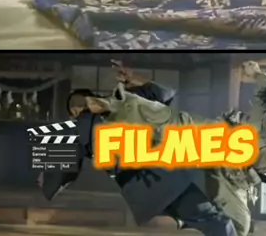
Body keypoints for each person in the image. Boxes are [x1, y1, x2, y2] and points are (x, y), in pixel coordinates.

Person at [40, 69, 238, 236]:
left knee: (208, 219)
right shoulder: (123, 103)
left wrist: (48, 183)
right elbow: (164, 93)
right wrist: (135, 78)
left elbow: (64, 165)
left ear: (75, 112)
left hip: (143, 191)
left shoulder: (83, 125)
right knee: (213, 220)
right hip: (165, 178)